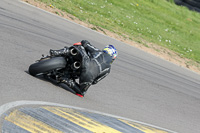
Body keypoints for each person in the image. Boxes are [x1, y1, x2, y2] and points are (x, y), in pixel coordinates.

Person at [50, 40, 117, 97]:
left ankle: (58, 52)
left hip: (85, 62)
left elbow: (85, 43)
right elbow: (95, 81)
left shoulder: (98, 52)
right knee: (81, 93)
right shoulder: (108, 70)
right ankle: (67, 81)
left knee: (79, 47)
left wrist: (81, 43)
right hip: (88, 76)